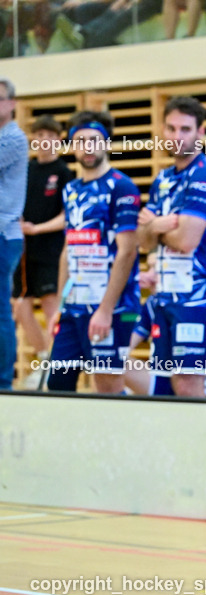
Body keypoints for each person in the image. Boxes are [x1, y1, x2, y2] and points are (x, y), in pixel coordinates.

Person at [136, 96, 206, 397]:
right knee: (165, 386)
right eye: (172, 128)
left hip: (197, 299)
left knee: (188, 382)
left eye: (185, 129)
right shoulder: (162, 179)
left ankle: (202, 446)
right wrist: (161, 226)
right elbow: (142, 240)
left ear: (200, 132)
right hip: (164, 296)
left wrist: (154, 225)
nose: (177, 137)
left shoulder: (205, 176)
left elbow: (187, 241)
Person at [47, 110, 140, 394]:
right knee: (58, 383)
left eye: (95, 140)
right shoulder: (72, 189)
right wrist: (61, 306)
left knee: (107, 384)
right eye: (81, 141)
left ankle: (123, 437)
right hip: (74, 306)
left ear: (106, 143)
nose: (88, 147)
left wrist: (105, 309)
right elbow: (68, 249)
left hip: (111, 306)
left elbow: (127, 252)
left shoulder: (122, 187)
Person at [14, 115, 74, 389]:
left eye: (49, 136)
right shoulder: (25, 170)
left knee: (52, 308)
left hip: (51, 251)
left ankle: (57, 366)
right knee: (21, 307)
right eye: (39, 135)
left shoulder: (63, 173)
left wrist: (38, 228)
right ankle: (42, 360)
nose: (43, 141)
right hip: (25, 253)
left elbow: (68, 216)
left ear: (58, 140)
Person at [0, 77, 28, 392]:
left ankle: (3, 382)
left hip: (3, 237)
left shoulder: (13, 138)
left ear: (12, 104)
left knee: (0, 311)